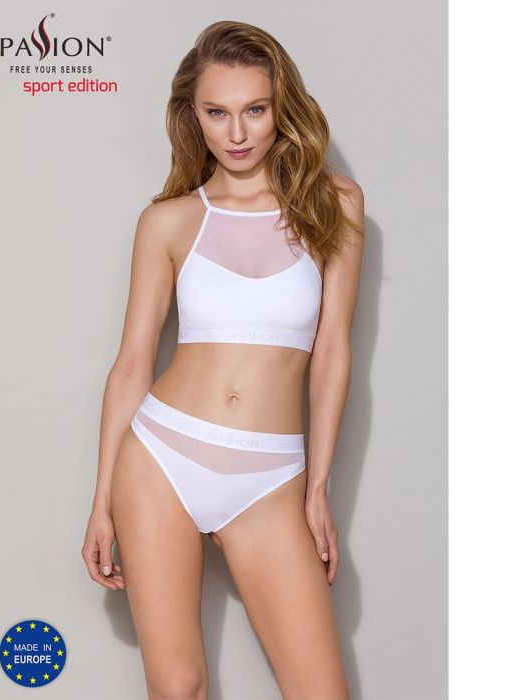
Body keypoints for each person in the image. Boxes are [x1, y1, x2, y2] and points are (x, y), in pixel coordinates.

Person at [82, 19, 364, 700]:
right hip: (162, 457)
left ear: (280, 108)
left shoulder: (335, 205)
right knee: (178, 686)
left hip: (271, 478)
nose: (237, 133)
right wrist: (101, 501)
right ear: (193, 116)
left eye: (254, 110)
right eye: (216, 113)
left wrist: (318, 488)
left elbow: (332, 349)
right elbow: (132, 364)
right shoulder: (169, 221)